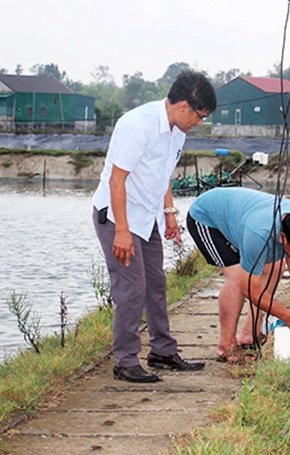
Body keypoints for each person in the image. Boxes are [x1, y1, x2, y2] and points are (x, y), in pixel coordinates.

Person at [92, 70, 217, 383]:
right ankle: (125, 360)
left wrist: (169, 213)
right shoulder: (138, 125)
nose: (200, 123)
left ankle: (162, 351)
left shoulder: (178, 130)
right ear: (184, 106)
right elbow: (116, 180)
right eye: (200, 116)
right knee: (131, 287)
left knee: (156, 284)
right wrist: (122, 231)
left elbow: (163, 175)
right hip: (118, 216)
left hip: (148, 217)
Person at [186, 187, 290, 364]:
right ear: (282, 238)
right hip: (208, 218)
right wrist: (286, 315)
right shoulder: (259, 235)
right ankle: (226, 345)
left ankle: (251, 333)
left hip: (241, 217)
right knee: (238, 280)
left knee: (276, 267)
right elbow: (250, 288)